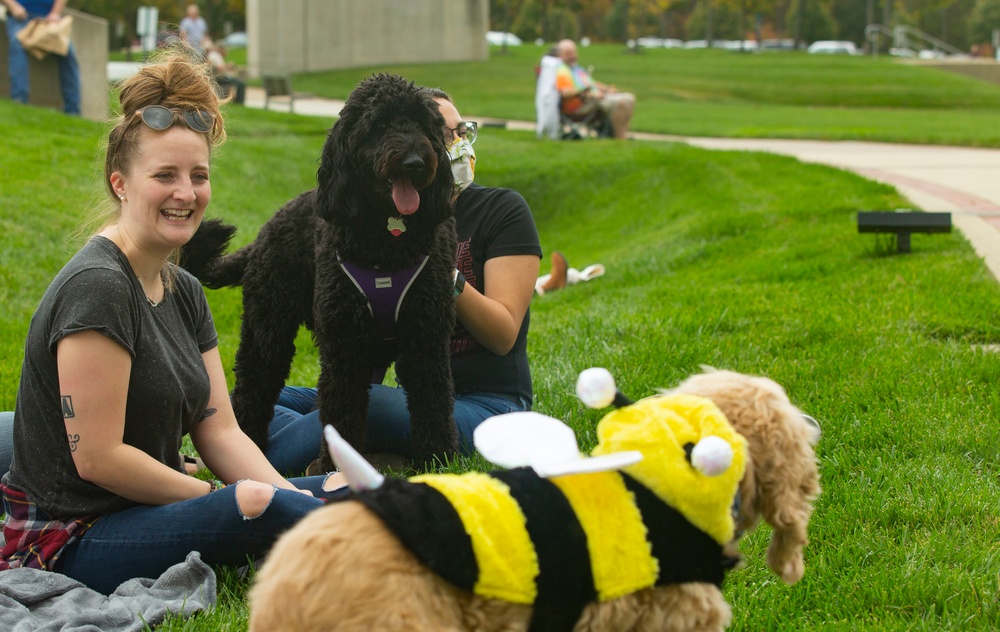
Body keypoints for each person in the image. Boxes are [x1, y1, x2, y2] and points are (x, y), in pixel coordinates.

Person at [0, 51, 347, 595]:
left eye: (198, 175)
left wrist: (291, 495)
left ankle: (336, 520)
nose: (186, 194)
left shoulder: (183, 289)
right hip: (74, 532)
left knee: (337, 485)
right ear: (121, 183)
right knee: (251, 504)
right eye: (165, 175)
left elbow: (221, 430)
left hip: (147, 504)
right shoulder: (99, 287)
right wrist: (218, 500)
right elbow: (97, 459)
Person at [269, 88, 543, 470]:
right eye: (447, 135)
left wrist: (437, 267)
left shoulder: (502, 209)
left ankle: (266, 456)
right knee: (274, 398)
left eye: (461, 132)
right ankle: (373, 455)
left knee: (373, 406)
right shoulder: (382, 217)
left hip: (489, 407)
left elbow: (503, 335)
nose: (458, 144)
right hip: (409, 399)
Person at [1, 0, 81, 115]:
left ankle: (73, 110)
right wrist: (14, 6)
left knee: (68, 53)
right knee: (16, 45)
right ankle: (19, 100)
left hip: (48, 19)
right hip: (21, 17)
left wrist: (55, 13)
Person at [555, 38, 636, 140]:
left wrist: (607, 89)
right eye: (568, 53)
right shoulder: (560, 71)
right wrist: (585, 91)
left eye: (574, 53)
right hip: (579, 106)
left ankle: (622, 134)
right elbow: (564, 93)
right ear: (559, 55)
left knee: (629, 98)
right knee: (621, 102)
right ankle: (619, 138)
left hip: (594, 99)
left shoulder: (577, 69)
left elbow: (592, 84)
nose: (572, 56)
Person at [206, 40, 244, 105]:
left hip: (217, 78)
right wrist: (229, 66)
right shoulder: (215, 55)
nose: (226, 52)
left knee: (238, 82)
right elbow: (220, 68)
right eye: (225, 50)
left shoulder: (214, 55)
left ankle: (237, 102)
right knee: (241, 84)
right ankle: (239, 103)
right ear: (221, 49)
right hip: (219, 79)